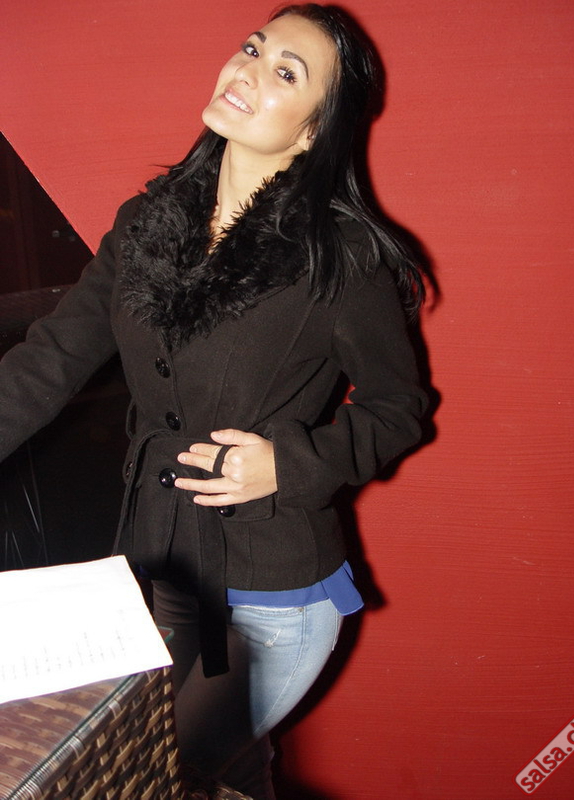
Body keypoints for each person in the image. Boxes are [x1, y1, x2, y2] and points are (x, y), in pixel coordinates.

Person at [0, 4, 428, 798]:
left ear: (314, 130)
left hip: (272, 596)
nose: (248, 70)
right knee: (217, 772)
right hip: (155, 567)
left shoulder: (338, 258)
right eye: (252, 49)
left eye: (285, 72)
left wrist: (289, 463)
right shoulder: (145, 225)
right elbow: (50, 360)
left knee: (152, 776)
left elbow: (399, 407)